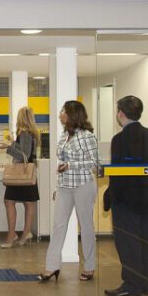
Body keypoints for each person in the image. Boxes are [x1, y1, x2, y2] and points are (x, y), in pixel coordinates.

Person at [104, 95, 148, 296]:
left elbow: (118, 173)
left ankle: (132, 285)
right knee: (147, 241)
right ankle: (147, 283)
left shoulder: (119, 139)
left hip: (126, 201)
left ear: (120, 114)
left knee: (128, 243)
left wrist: (110, 195)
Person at [39, 100, 98, 283]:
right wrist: (58, 185)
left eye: (63, 111)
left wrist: (71, 165)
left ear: (72, 114)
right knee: (58, 225)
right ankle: (52, 266)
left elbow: (95, 164)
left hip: (83, 185)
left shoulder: (87, 136)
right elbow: (62, 161)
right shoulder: (64, 135)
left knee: (86, 227)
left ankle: (89, 266)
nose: (60, 114)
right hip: (65, 186)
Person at [0, 106, 40, 248]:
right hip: (28, 172)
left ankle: (12, 235)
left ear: (21, 118)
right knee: (29, 203)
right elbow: (26, 151)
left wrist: (7, 148)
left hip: (21, 172)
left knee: (9, 201)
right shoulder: (31, 133)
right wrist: (12, 143)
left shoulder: (25, 133)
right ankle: (25, 233)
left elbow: (24, 155)